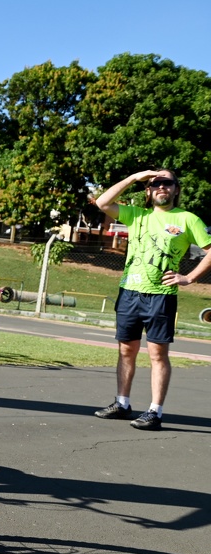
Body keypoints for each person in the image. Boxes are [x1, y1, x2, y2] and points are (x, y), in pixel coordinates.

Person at [92, 168, 211, 430]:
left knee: (157, 354)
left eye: (167, 183)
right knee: (126, 351)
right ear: (148, 190)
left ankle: (155, 412)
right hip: (129, 293)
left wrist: (189, 278)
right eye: (155, 183)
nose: (161, 187)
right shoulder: (136, 215)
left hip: (161, 296)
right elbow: (102, 202)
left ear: (176, 189)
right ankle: (122, 403)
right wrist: (135, 177)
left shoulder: (188, 219)